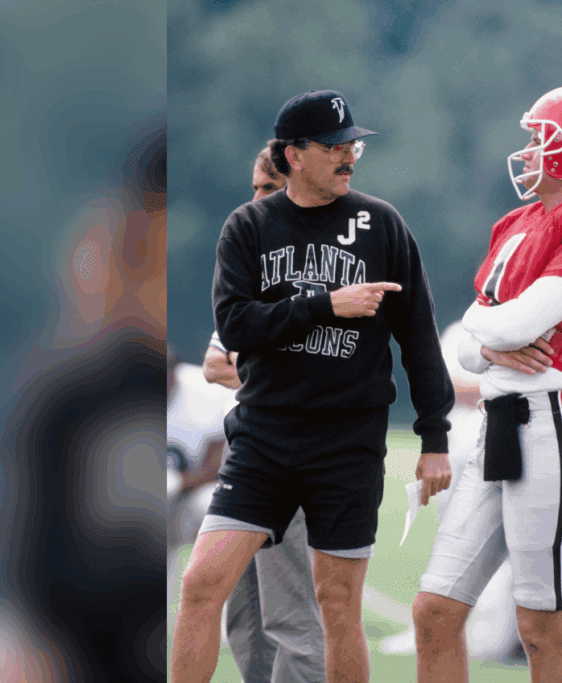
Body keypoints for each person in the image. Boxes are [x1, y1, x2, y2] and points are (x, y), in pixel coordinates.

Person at [170, 89, 455, 683]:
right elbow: (237, 325)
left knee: (337, 608)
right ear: (294, 154)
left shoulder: (382, 225)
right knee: (200, 587)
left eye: (352, 143)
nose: (348, 154)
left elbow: (420, 342)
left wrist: (434, 439)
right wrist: (326, 304)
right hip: (263, 437)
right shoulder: (249, 225)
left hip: (347, 443)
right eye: (333, 146)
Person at [411, 85, 562, 683]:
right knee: (434, 609)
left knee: (540, 624)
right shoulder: (518, 222)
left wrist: (490, 335)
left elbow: (513, 322)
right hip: (496, 424)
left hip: (552, 426)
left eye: (540, 138)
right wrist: (489, 344)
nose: (530, 150)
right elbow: (471, 342)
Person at [195, 146, 326, 683]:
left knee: (293, 616)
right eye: (254, 187)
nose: (255, 201)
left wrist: (266, 366)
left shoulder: (328, 264)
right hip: (251, 454)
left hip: (304, 454)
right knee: (242, 613)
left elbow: (332, 375)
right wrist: (276, 371)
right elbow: (213, 363)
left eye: (268, 189)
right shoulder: (252, 262)